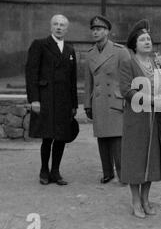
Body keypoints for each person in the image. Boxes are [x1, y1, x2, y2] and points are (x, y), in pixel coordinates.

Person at [119, 19, 161, 218]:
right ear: (134, 45)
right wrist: (150, 100)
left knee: (152, 158)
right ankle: (135, 201)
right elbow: (126, 90)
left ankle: (146, 199)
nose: (147, 42)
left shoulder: (157, 63)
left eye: (149, 39)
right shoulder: (128, 63)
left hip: (155, 119)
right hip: (136, 118)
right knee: (135, 158)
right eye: (142, 40)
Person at [25, 14, 78, 186]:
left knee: (61, 137)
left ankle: (55, 171)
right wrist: (34, 99)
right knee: (47, 137)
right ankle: (44, 170)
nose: (59, 27)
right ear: (51, 27)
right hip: (46, 99)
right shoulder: (40, 45)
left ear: (67, 29)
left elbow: (73, 79)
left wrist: (74, 105)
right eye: (55, 24)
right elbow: (31, 73)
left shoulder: (70, 50)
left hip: (64, 101)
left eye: (62, 25)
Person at [84, 15, 130, 184]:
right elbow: (88, 82)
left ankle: (123, 174)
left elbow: (128, 78)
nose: (95, 32)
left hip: (116, 101)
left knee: (118, 140)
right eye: (94, 30)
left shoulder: (120, 51)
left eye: (99, 29)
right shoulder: (90, 54)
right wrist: (87, 105)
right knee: (102, 139)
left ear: (107, 32)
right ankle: (107, 172)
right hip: (99, 102)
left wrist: (127, 99)